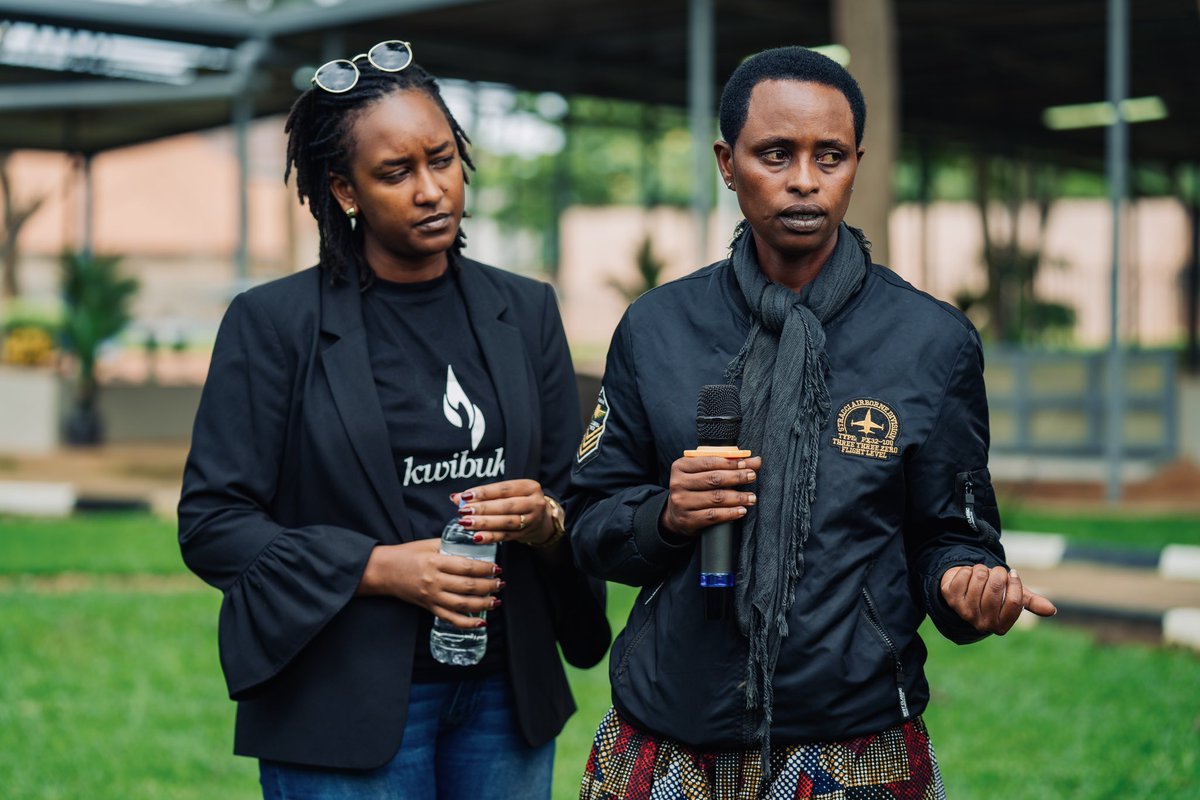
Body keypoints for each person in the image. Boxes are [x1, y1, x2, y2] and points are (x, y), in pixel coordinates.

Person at [567, 46, 1056, 799]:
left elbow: (950, 534)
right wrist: (666, 515)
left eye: (829, 155)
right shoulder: (656, 328)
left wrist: (964, 582)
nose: (804, 179)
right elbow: (591, 519)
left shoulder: (931, 342)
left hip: (853, 743)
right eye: (775, 154)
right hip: (671, 732)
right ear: (728, 164)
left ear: (857, 160)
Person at [177, 40, 609, 800]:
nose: (431, 189)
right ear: (343, 189)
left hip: (506, 697)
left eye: (441, 159)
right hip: (344, 700)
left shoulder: (527, 310)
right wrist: (378, 570)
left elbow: (577, 493)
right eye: (395, 173)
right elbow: (213, 523)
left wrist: (543, 520)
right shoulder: (274, 325)